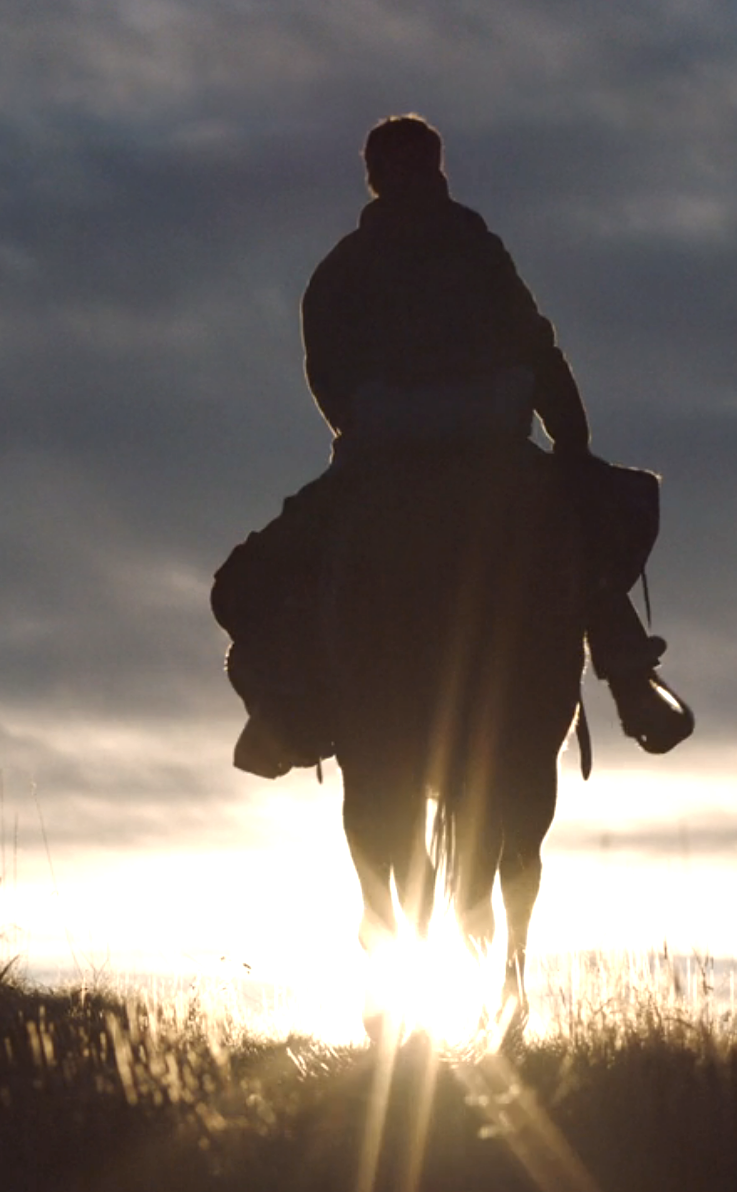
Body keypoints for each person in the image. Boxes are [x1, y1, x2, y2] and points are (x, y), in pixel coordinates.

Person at [216, 113, 692, 775]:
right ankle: (632, 680)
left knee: (253, 581)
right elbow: (535, 345)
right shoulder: (472, 250)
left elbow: (325, 371)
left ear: (376, 177)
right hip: (487, 446)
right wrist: (571, 443)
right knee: (588, 532)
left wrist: (360, 433)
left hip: (390, 452)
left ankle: (287, 708)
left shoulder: (355, 266)